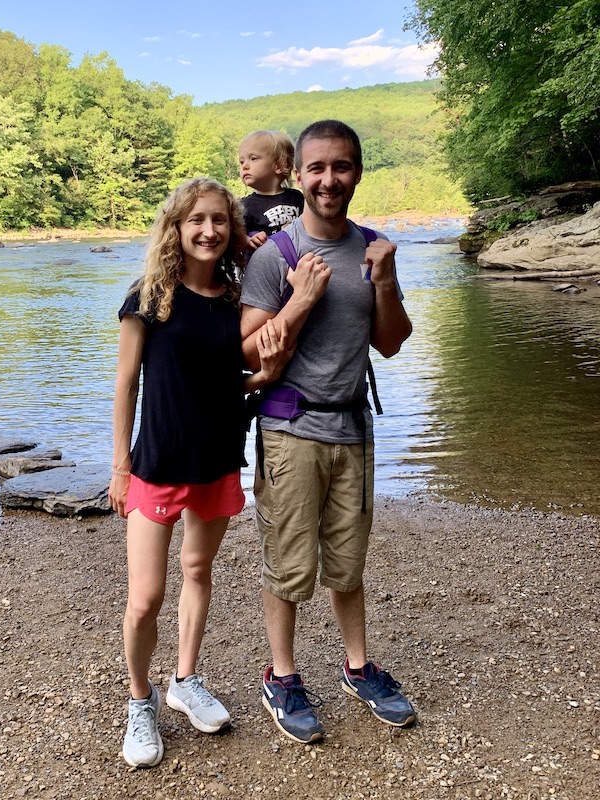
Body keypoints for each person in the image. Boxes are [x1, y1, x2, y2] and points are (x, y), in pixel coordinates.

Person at [239, 119, 416, 744]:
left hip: (353, 429)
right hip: (289, 428)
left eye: (340, 167)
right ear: (296, 176)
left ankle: (358, 667)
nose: (329, 179)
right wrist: (301, 299)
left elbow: (391, 345)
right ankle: (281, 677)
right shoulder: (274, 257)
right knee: (289, 564)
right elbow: (244, 352)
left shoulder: (374, 249)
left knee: (347, 562)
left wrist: (387, 282)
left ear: (358, 172)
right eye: (316, 168)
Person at [110, 177, 290, 768]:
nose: (209, 231)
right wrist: (120, 464)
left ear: (231, 229)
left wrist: (263, 371)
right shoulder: (149, 297)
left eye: (219, 220)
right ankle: (141, 703)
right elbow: (127, 383)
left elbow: (243, 375)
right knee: (145, 598)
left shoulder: (237, 299)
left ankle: (184, 680)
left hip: (217, 459)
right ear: (176, 229)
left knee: (197, 570)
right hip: (157, 463)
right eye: (197, 221)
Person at [238, 130, 304, 250]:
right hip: (265, 264)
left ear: (280, 165)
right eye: (241, 161)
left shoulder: (297, 198)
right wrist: (247, 240)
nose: (244, 166)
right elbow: (233, 235)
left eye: (253, 158)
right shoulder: (244, 206)